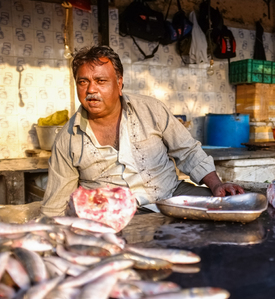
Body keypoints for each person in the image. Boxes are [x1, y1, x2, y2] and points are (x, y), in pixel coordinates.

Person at [40, 46, 244, 217]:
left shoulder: (150, 109)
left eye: (101, 81)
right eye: (83, 82)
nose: (91, 90)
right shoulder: (67, 139)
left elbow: (188, 151)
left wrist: (216, 185)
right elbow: (55, 206)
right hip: (113, 216)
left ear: (119, 84)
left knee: (232, 210)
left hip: (171, 195)